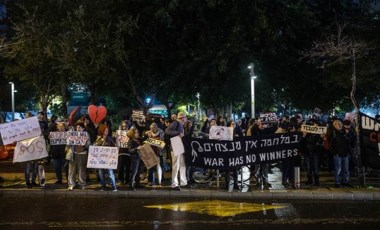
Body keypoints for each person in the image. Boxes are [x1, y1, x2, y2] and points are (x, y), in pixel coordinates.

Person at [165, 112, 189, 190]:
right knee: (176, 165)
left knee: (182, 164)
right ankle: (174, 184)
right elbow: (167, 131)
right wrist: (178, 133)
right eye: (185, 117)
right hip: (176, 145)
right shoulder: (176, 123)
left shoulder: (179, 124)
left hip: (178, 145)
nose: (186, 119)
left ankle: (183, 182)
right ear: (182, 118)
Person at [329, 120, 355, 188]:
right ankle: (337, 182)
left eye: (340, 123)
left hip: (345, 153)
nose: (339, 125)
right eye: (337, 124)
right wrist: (335, 153)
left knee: (346, 169)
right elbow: (331, 145)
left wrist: (348, 134)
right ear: (334, 125)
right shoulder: (333, 133)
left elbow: (351, 140)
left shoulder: (344, 132)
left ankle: (345, 182)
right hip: (338, 154)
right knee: (338, 169)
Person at [67, 121, 90, 191]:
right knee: (71, 170)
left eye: (79, 127)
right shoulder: (72, 134)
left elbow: (89, 145)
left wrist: (86, 142)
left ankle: (82, 183)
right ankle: (71, 184)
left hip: (82, 154)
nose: (78, 128)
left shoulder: (86, 135)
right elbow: (68, 144)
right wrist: (68, 139)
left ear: (83, 128)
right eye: (77, 127)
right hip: (73, 154)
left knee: (82, 170)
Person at [94, 124, 117, 191]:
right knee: (101, 173)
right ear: (102, 131)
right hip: (100, 160)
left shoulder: (109, 138)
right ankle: (103, 186)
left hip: (108, 159)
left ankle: (113, 186)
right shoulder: (98, 138)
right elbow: (95, 146)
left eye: (107, 130)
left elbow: (114, 147)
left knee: (110, 172)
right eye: (105, 130)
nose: (106, 132)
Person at [302, 119, 323, 186]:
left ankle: (316, 181)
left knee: (316, 167)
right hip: (308, 153)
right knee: (308, 168)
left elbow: (321, 144)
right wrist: (304, 135)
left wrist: (322, 138)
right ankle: (310, 180)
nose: (315, 127)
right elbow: (301, 143)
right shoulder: (307, 134)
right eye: (314, 125)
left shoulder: (319, 134)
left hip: (316, 153)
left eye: (317, 126)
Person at [117, 120, 131, 186]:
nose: (124, 127)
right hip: (121, 152)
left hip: (128, 152)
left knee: (128, 168)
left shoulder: (130, 133)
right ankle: (121, 180)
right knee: (120, 168)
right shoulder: (119, 133)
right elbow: (116, 142)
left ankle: (127, 180)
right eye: (123, 126)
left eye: (125, 126)